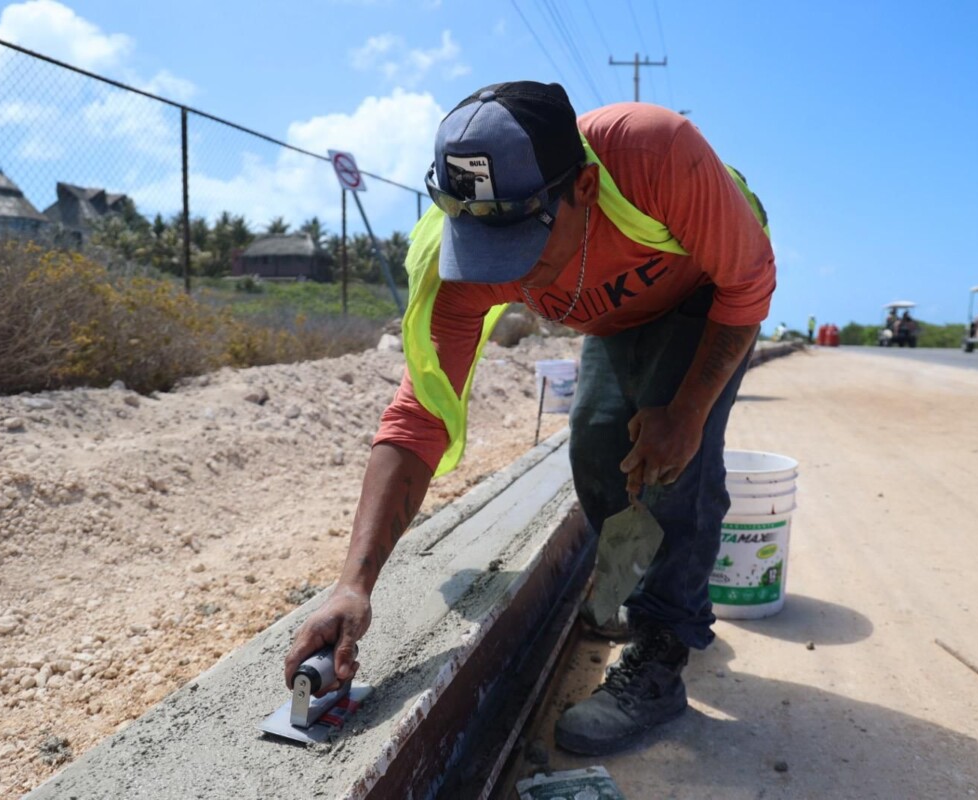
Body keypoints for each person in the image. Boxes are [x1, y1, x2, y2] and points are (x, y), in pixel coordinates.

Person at [284, 81, 775, 756]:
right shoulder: (450, 265)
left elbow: (748, 285)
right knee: (597, 454)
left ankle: (663, 651)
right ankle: (637, 589)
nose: (513, 276)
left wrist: (688, 412)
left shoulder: (654, 155)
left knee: (669, 462)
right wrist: (352, 586)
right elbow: (417, 416)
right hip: (611, 316)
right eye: (484, 245)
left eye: (524, 241)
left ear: (581, 188)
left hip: (704, 293)